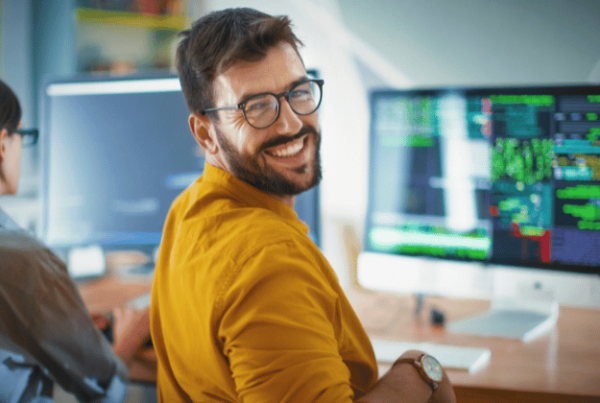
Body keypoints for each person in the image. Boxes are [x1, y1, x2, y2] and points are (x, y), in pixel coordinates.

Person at [150, 7, 456, 403]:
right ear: (206, 134)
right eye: (256, 107)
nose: (292, 124)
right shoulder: (270, 261)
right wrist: (419, 370)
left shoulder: (188, 211)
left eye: (299, 92)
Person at [0, 79, 151, 402]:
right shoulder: (24, 261)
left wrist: (66, 319)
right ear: (2, 144)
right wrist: (126, 338)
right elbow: (99, 388)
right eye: (21, 137)